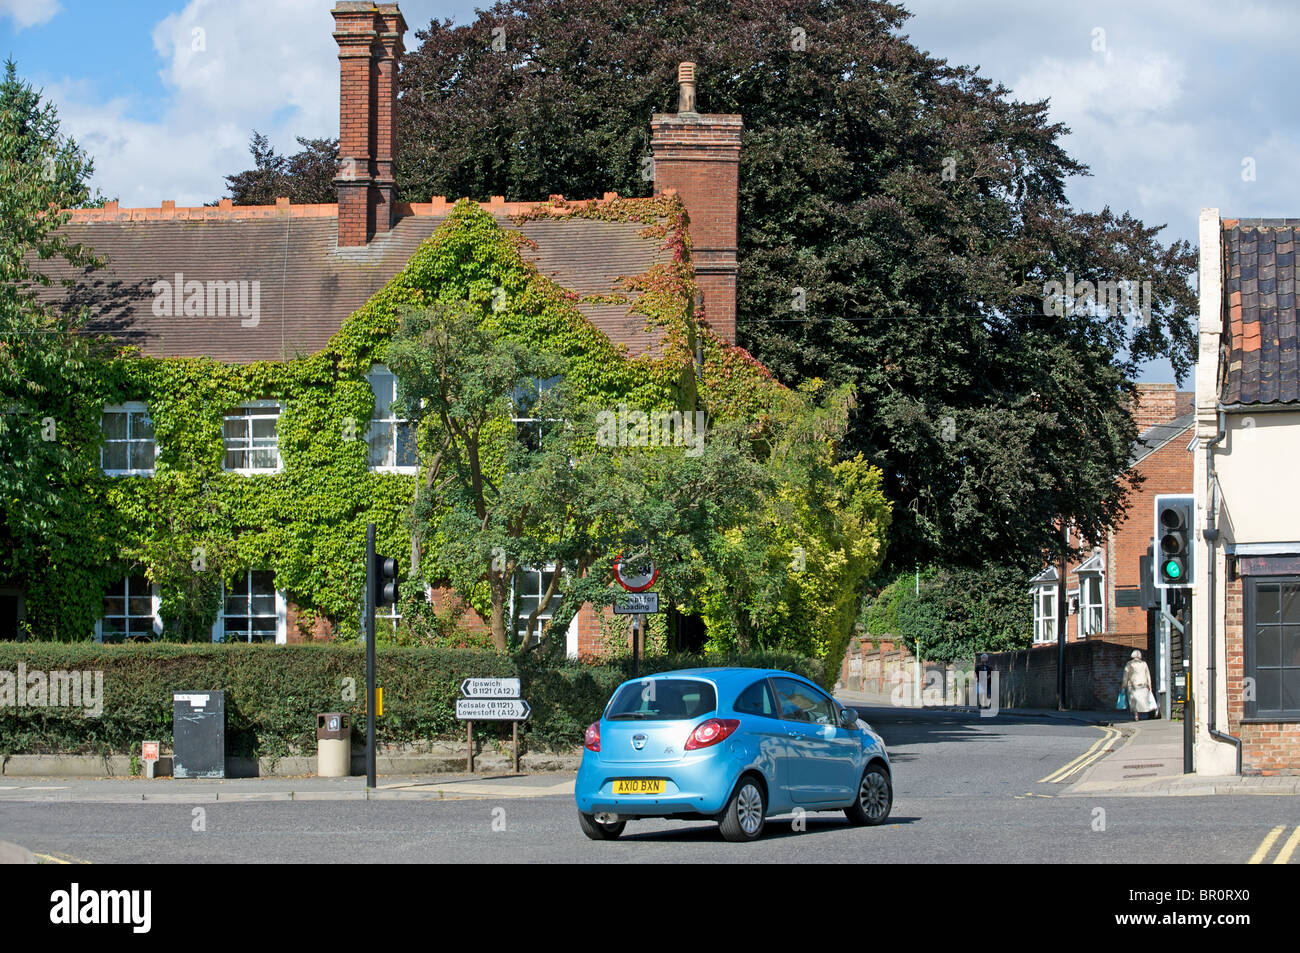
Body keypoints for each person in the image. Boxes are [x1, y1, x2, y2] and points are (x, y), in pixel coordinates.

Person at [1121, 650, 1158, 721]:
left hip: (1132, 686)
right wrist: (1150, 685)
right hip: (1143, 685)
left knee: (1134, 702)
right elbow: (1148, 675)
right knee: (1143, 701)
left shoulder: (1129, 664)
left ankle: (1136, 715)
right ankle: (1151, 711)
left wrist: (1124, 685)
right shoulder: (1144, 664)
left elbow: (1125, 675)